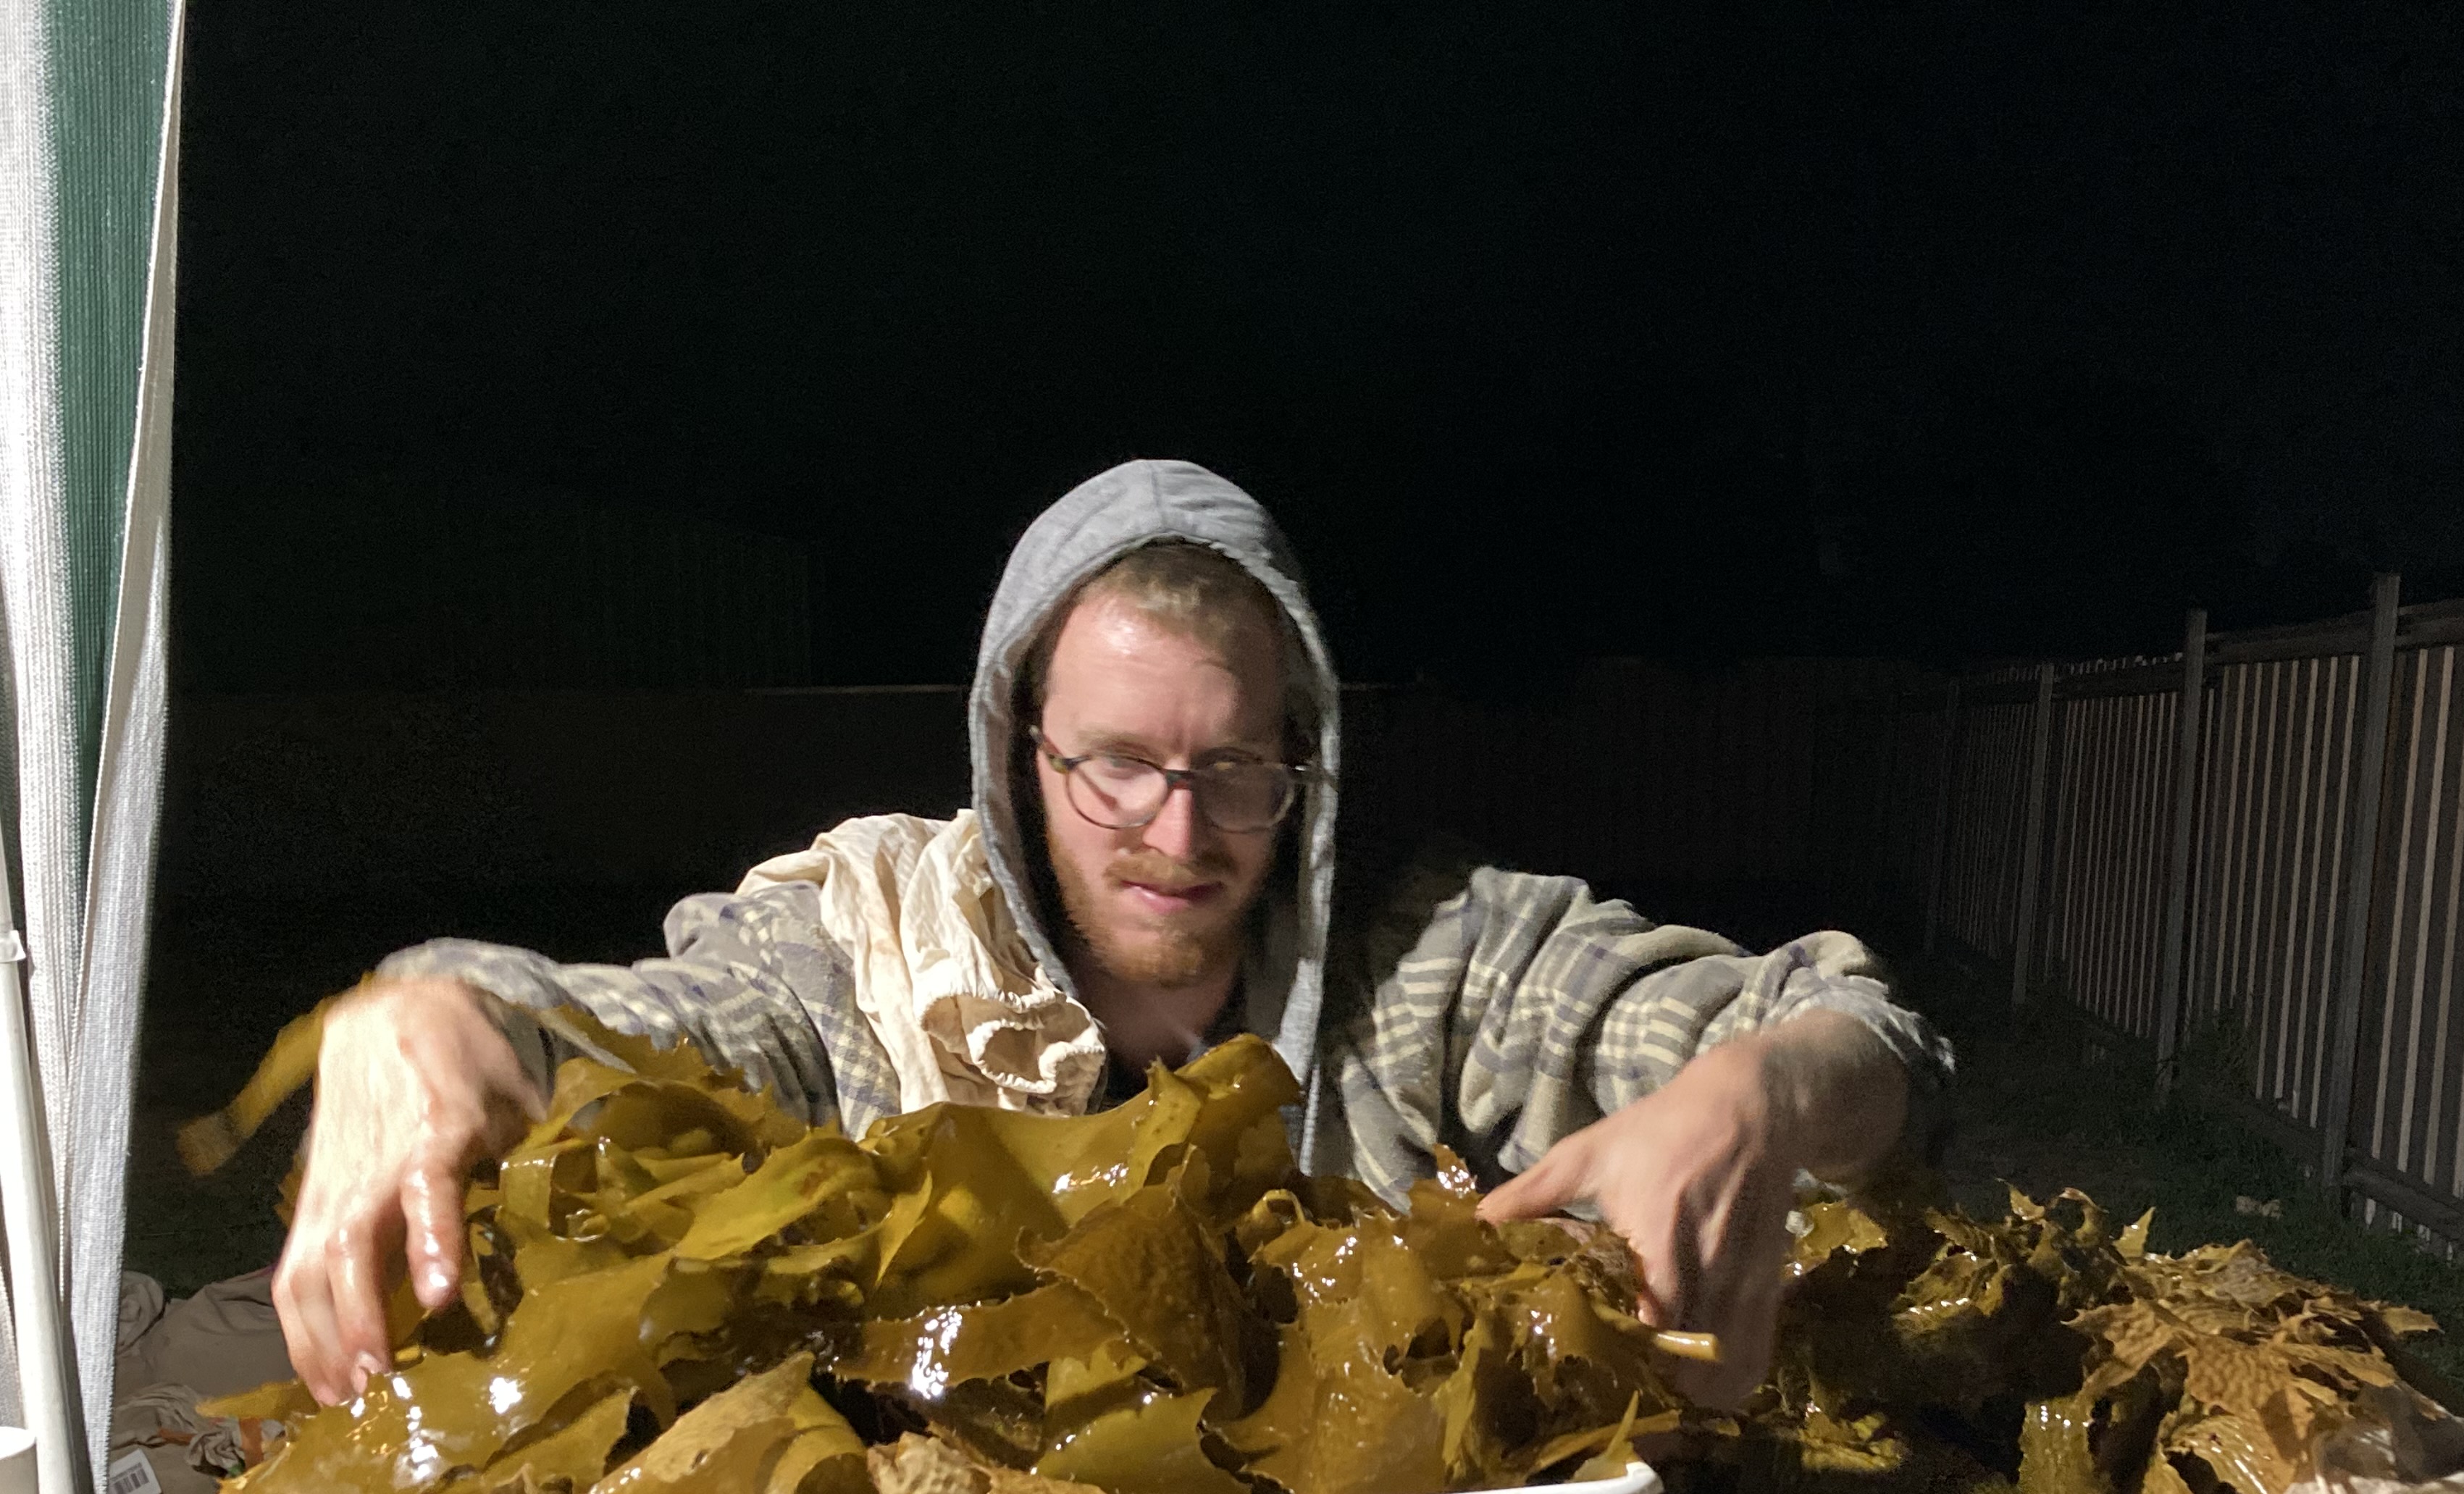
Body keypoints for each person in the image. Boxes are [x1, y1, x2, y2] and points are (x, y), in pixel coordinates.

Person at [275, 461, 1951, 1412]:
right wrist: (432, 1018)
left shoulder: (1433, 959)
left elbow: (1858, 1038)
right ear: (1021, 751)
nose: (1180, 833)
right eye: (1117, 766)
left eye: (1237, 769)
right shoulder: (866, 950)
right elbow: (649, 1027)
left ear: (1306, 760)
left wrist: (1756, 1098)